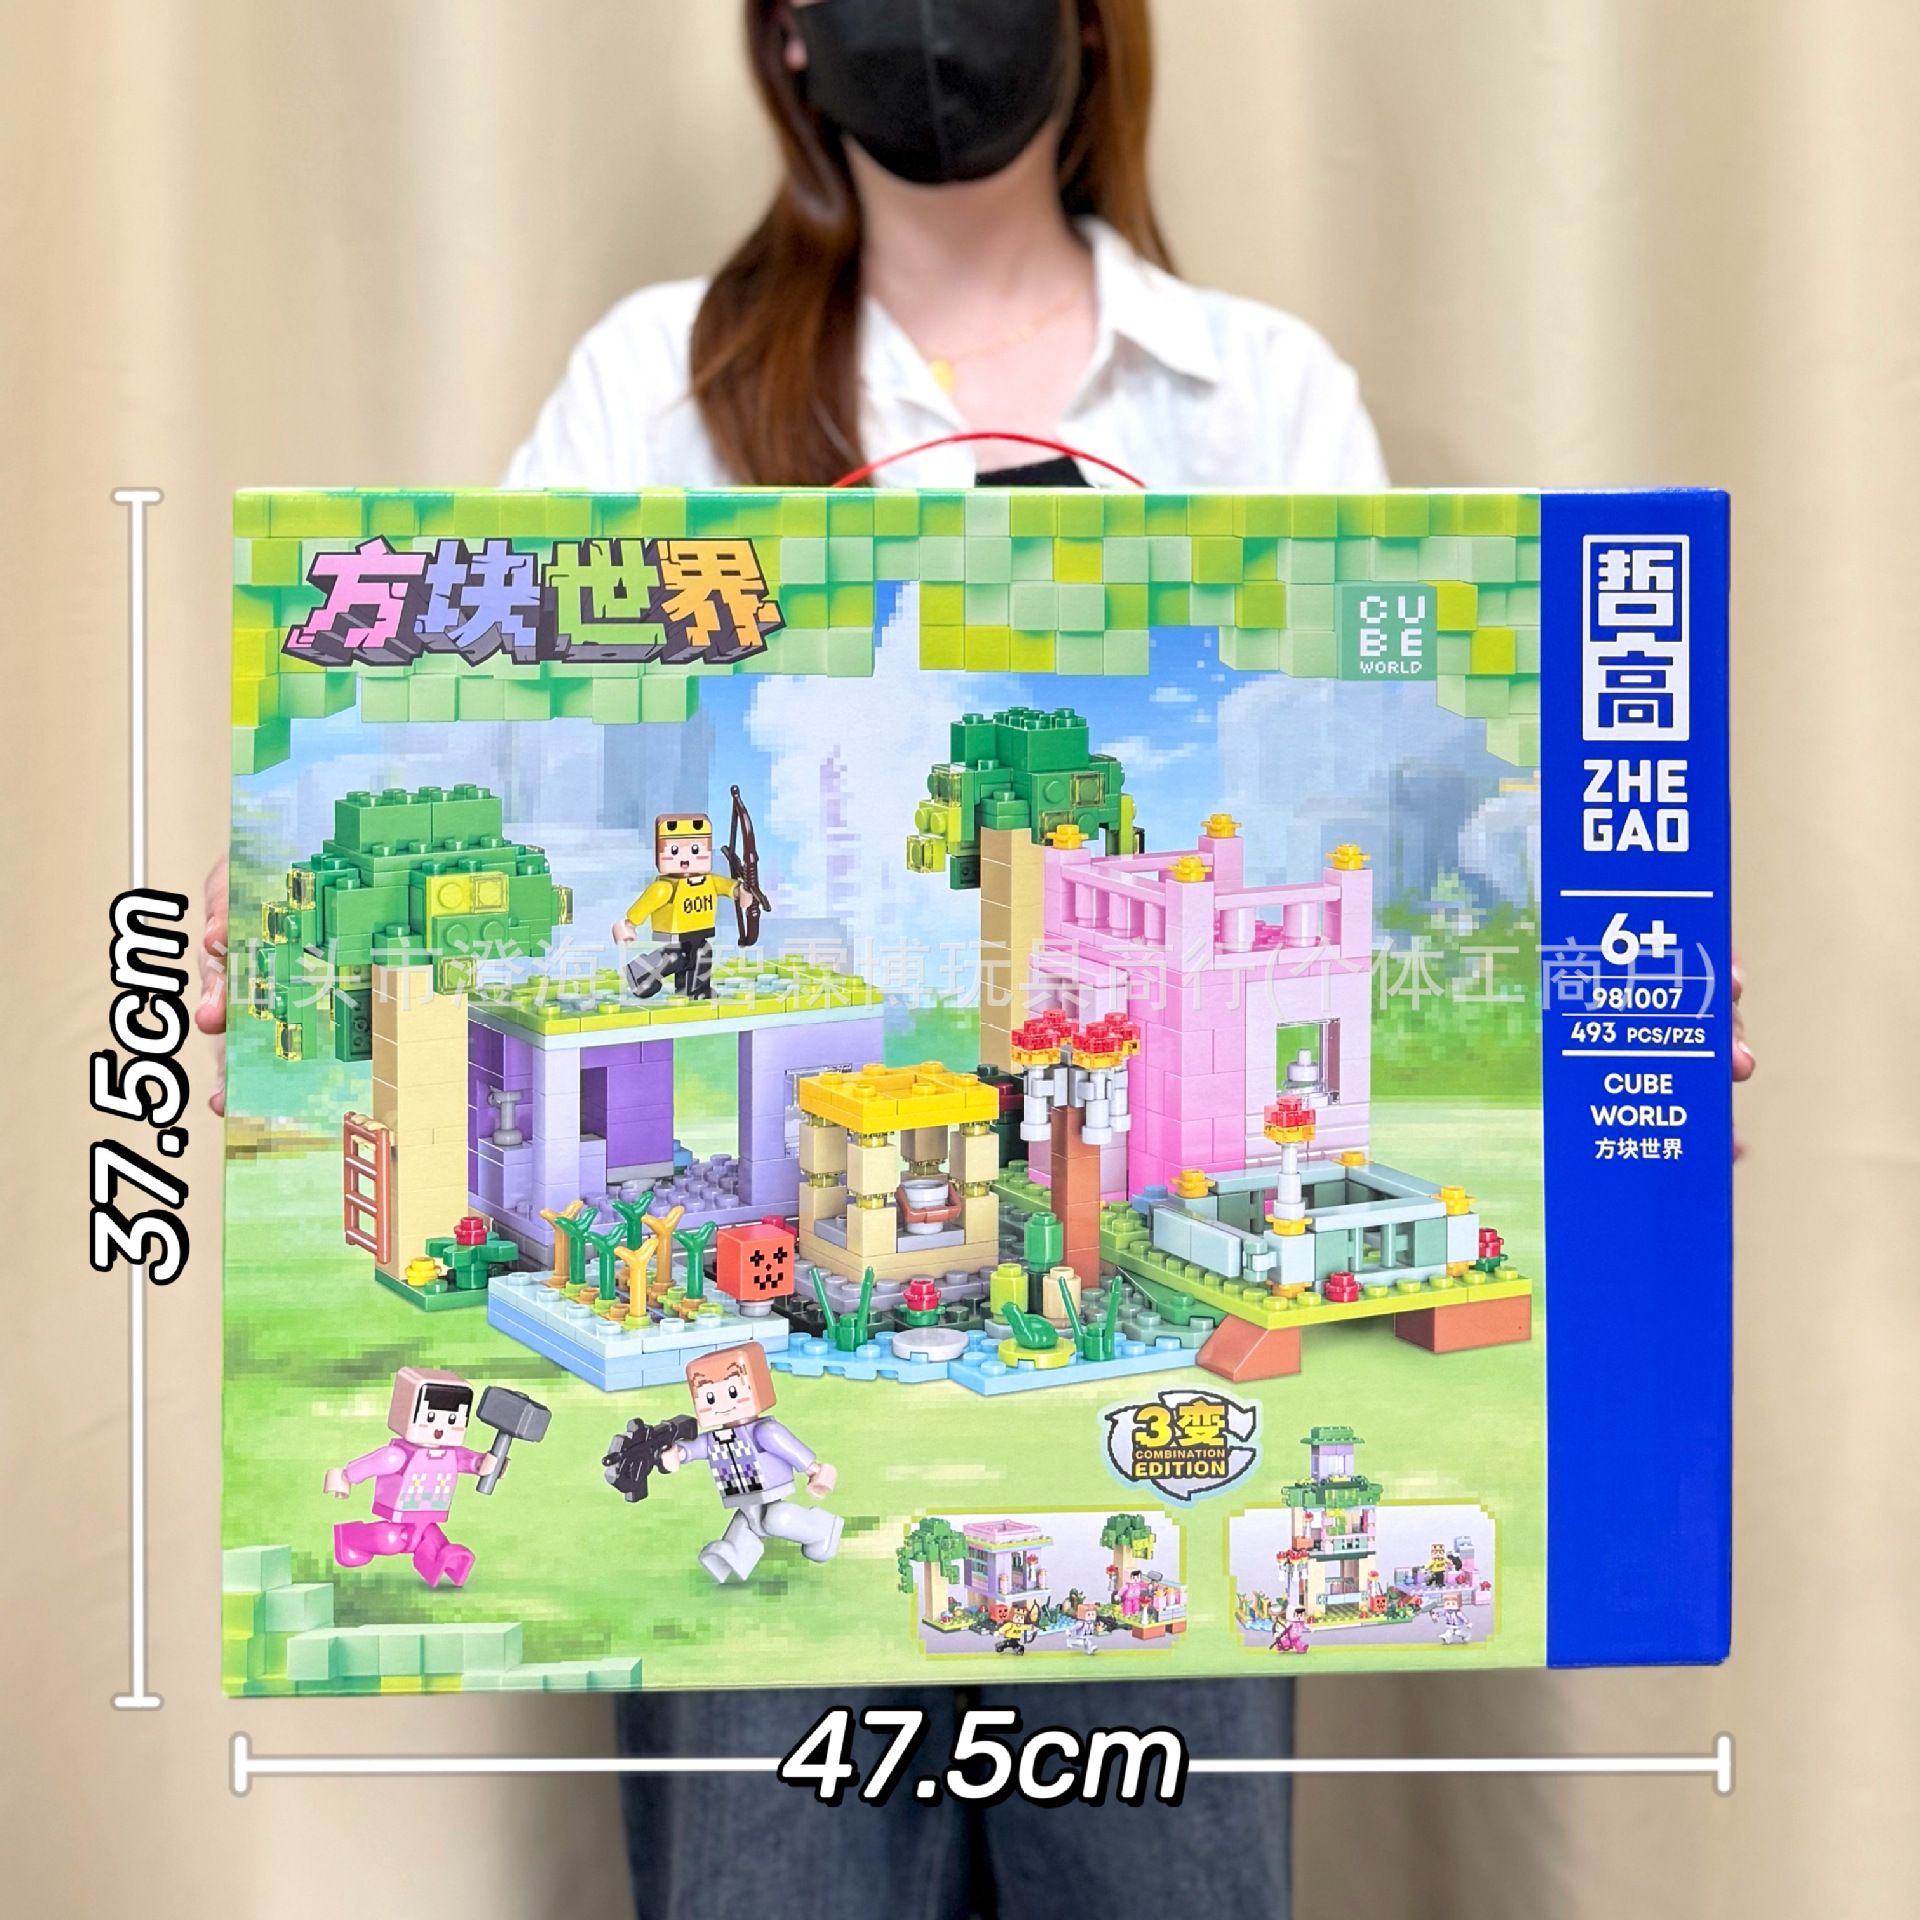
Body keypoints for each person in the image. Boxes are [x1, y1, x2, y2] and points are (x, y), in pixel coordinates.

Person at [189, 2, 1758, 1913]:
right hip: (778, 1623)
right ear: (785, 35)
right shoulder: (657, 384)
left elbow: (1402, 754)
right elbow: (472, 717)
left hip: (1167, 1510)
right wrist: (278, 930)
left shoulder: (1253, 393)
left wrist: (1628, 1028)